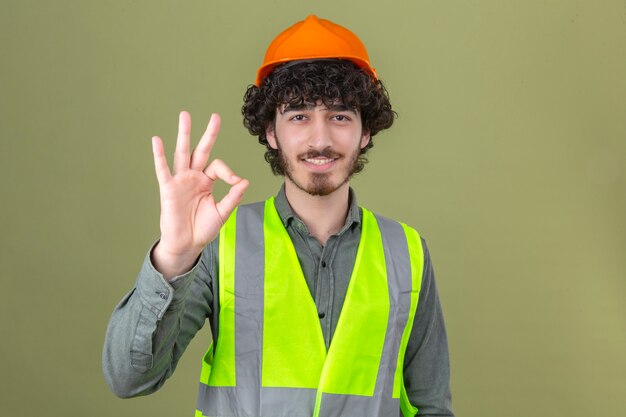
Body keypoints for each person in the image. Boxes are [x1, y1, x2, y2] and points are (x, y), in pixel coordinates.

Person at [103, 15, 454, 417]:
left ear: (365, 131)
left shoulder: (407, 253)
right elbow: (128, 378)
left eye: (340, 116)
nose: (320, 139)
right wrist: (174, 255)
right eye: (299, 116)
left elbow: (432, 406)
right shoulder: (221, 242)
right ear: (271, 131)